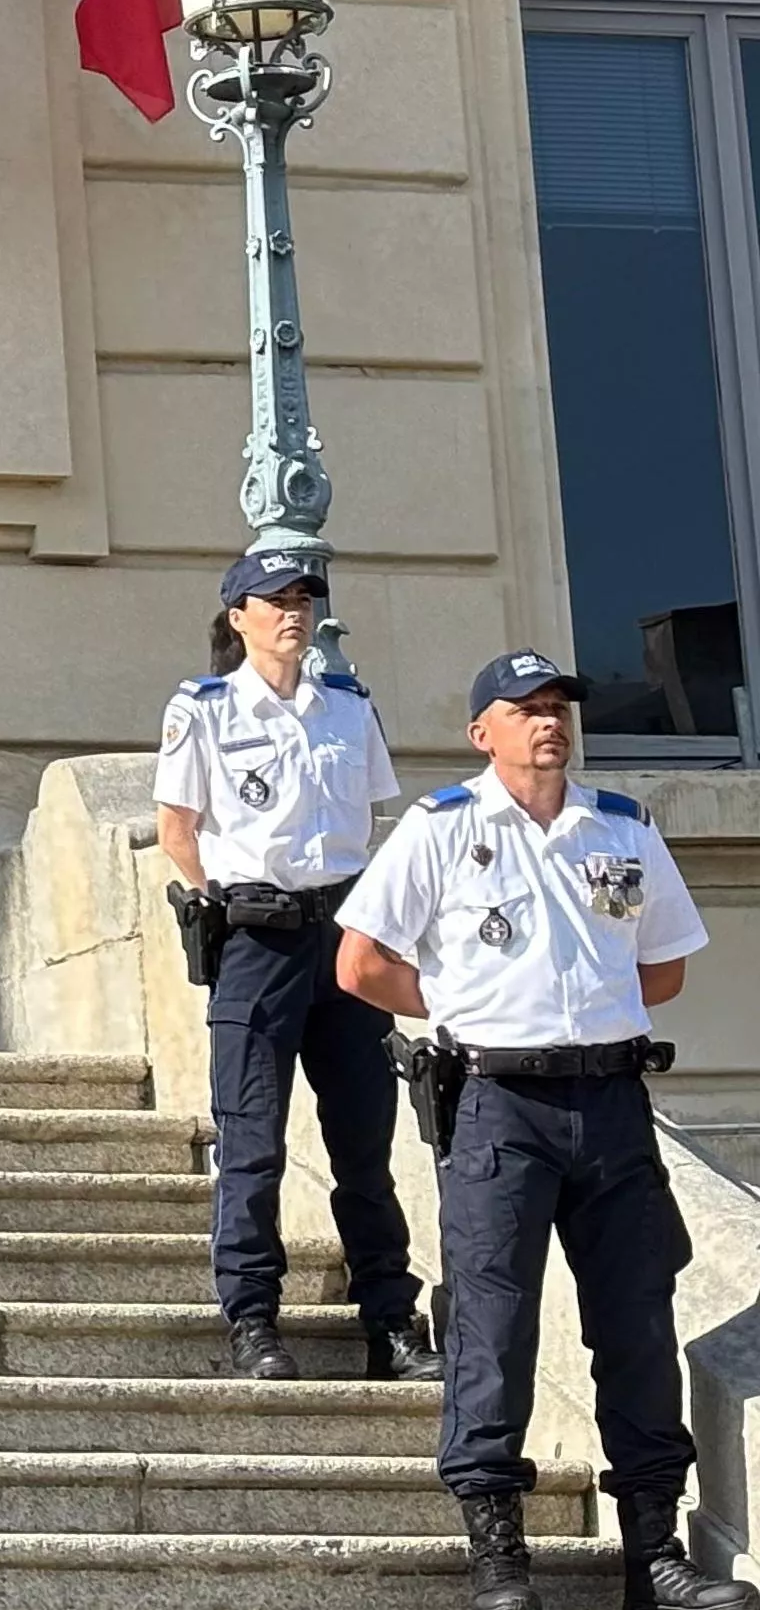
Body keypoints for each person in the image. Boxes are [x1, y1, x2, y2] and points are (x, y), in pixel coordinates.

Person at [338, 650, 754, 1610]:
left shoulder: (621, 828)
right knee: (495, 1322)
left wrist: (587, 1021)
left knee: (639, 1322)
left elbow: (661, 971)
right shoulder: (442, 829)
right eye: (524, 708)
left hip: (610, 1103)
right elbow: (360, 965)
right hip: (497, 1104)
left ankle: (652, 1550)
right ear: (483, 729)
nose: (548, 721)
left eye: (559, 704)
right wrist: (461, 1008)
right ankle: (498, 1552)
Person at [153, 547, 431, 1383]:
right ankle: (252, 1318)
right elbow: (177, 829)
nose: (294, 611)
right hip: (259, 939)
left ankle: (390, 1319)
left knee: (365, 1142)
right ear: (238, 617)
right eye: (274, 599)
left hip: (344, 938)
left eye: (304, 597)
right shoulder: (203, 708)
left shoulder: (347, 705)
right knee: (252, 1139)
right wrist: (223, 907)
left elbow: (373, 823)